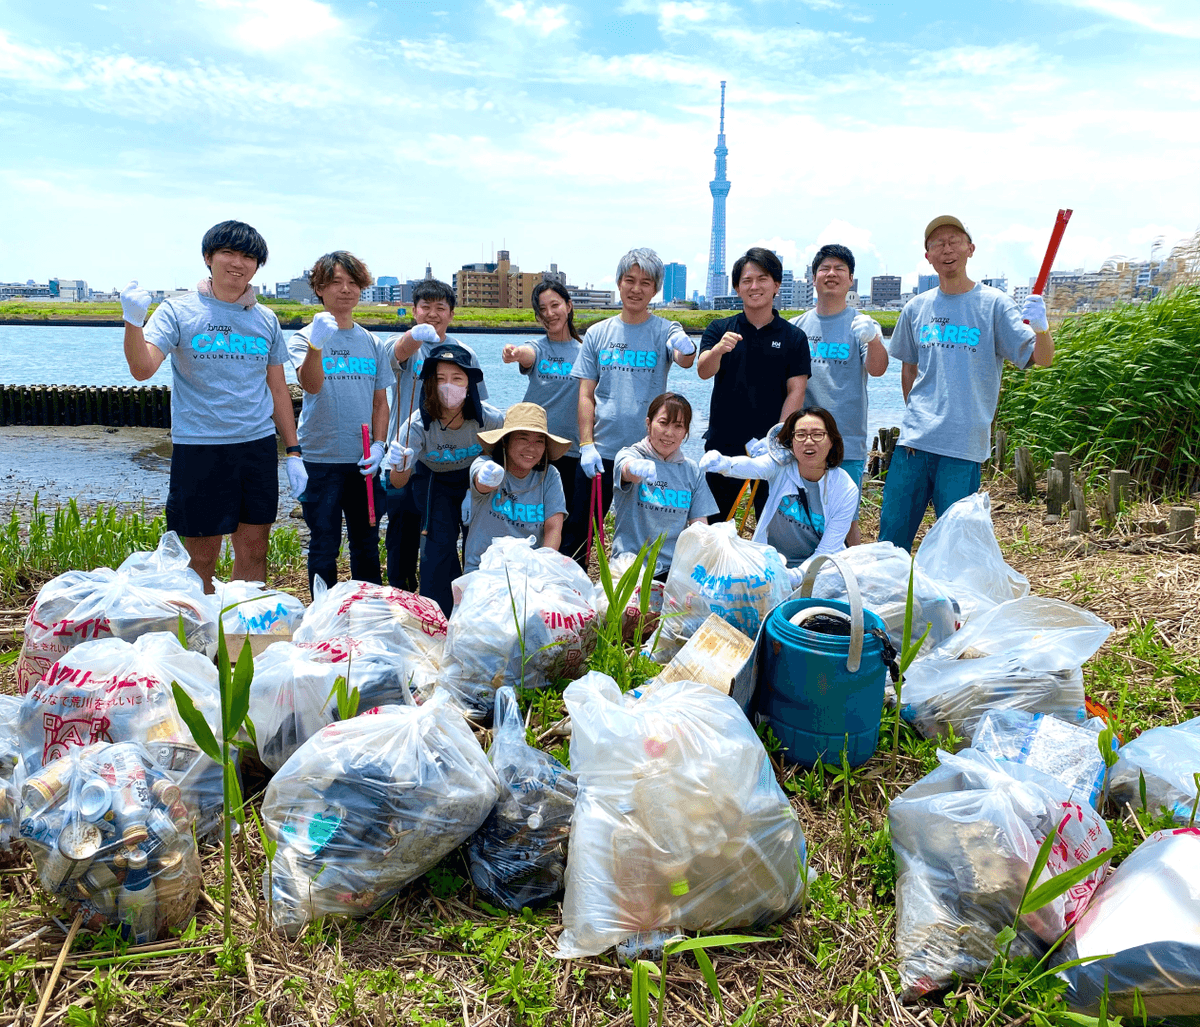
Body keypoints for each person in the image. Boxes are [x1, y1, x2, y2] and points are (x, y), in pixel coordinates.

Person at [119, 220, 303, 593]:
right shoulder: (178, 311)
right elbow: (142, 369)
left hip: (257, 446)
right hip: (200, 446)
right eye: (228, 253)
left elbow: (279, 389)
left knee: (254, 548)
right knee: (200, 555)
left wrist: (294, 450)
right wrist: (133, 322)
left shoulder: (265, 318)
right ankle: (200, 637)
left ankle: (242, 635)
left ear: (257, 266)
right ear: (209, 258)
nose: (238, 263)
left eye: (248, 256)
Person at [878, 215, 1055, 551]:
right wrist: (918, 415)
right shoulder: (916, 308)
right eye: (938, 244)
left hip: (963, 447)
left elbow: (1041, 358)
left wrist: (1042, 329)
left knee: (956, 547)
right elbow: (908, 368)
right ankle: (889, 602)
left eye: (954, 241)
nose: (947, 249)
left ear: (970, 249)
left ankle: (952, 603)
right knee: (891, 542)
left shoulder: (994, 304)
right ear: (927, 255)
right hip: (915, 444)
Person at [564, 247, 697, 566]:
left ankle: (638, 596)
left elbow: (685, 359)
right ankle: (572, 599)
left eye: (646, 282)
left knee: (644, 532)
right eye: (629, 280)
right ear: (619, 283)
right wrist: (586, 445)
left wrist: (686, 346)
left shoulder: (666, 330)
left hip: (647, 455)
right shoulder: (597, 333)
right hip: (602, 451)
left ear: (656, 289)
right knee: (579, 530)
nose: (636, 288)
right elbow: (585, 394)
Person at [288, 251, 390, 597]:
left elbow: (380, 402)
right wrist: (317, 344)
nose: (345, 290)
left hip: (363, 464)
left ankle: (369, 610)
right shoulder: (303, 337)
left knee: (366, 542)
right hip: (320, 459)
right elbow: (311, 384)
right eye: (335, 282)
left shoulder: (372, 342)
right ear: (319, 288)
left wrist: (380, 445)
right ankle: (323, 614)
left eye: (352, 282)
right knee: (324, 544)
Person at [383, 279, 488, 591]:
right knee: (401, 529)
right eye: (425, 307)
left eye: (440, 308)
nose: (432, 314)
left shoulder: (465, 352)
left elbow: (480, 406)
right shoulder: (402, 344)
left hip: (445, 456)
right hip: (405, 453)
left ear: (451, 314)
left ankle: (446, 591)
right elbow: (397, 353)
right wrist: (415, 338)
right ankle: (400, 589)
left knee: (438, 533)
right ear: (414, 311)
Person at [383, 343, 503, 615]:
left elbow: (508, 452)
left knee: (481, 544)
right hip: (433, 480)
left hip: (475, 481)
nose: (449, 386)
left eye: (457, 378)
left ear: (470, 383)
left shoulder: (490, 419)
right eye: (440, 379)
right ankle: (439, 616)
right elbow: (399, 482)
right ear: (430, 384)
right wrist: (399, 464)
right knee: (437, 548)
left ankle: (481, 611)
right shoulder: (416, 424)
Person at [697, 247, 810, 523]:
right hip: (723, 443)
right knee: (715, 524)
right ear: (737, 288)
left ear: (777, 285)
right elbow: (702, 370)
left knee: (772, 525)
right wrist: (718, 351)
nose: (754, 286)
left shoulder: (794, 337)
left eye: (762, 279)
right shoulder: (719, 328)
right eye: (746, 281)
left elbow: (797, 390)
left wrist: (778, 438)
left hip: (770, 449)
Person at [789, 244, 888, 546]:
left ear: (850, 280)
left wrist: (872, 340)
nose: (831, 274)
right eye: (824, 269)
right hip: (804, 439)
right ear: (814, 278)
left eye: (839, 269)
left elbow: (879, 368)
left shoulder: (862, 325)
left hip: (847, 441)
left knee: (847, 521)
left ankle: (853, 583)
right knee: (802, 517)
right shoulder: (797, 327)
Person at [700, 408, 859, 569]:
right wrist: (725, 464)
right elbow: (754, 466)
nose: (809, 441)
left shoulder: (845, 488)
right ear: (791, 441)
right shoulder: (781, 466)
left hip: (822, 567)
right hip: (772, 564)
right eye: (800, 435)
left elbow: (827, 550)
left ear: (832, 441)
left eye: (817, 434)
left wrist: (799, 576)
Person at [500, 281, 584, 536]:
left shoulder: (585, 352)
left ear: (568, 307)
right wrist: (514, 353)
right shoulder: (538, 347)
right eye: (542, 309)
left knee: (567, 519)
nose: (549, 313)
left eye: (555, 305)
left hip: (572, 450)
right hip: (535, 448)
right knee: (528, 515)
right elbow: (528, 354)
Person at [611, 393, 718, 579]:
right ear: (648, 423)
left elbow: (699, 527)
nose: (669, 433)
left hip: (673, 570)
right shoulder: (632, 455)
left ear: (686, 432)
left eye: (678, 426)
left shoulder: (692, 471)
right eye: (663, 423)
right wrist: (634, 469)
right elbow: (627, 470)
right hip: (629, 565)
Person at [463, 402, 569, 572]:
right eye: (523, 438)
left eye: (539, 441)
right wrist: (488, 478)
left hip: (528, 570)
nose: (531, 448)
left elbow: (553, 528)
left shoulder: (549, 475)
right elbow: (481, 483)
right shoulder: (487, 465)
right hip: (484, 569)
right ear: (506, 441)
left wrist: (543, 568)